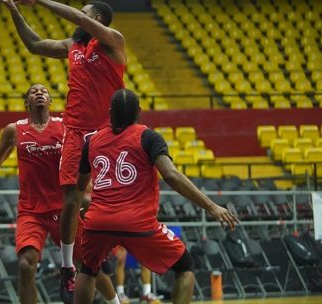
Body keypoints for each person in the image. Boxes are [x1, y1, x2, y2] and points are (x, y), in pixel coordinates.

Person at [0, 0, 126, 303]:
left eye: (82, 13)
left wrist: (38, 0)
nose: (77, 18)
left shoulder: (113, 41)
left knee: (95, 204)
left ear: (96, 18)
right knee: (70, 199)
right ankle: (67, 267)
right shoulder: (72, 46)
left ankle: (103, 255)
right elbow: (35, 44)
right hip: (75, 131)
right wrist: (15, 11)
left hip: (106, 133)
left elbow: (79, 21)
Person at [0, 84, 118, 304]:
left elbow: (86, 156)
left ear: (50, 102)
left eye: (44, 91)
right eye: (34, 92)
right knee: (26, 264)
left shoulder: (65, 127)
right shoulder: (14, 130)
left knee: (89, 264)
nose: (39, 93)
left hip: (64, 208)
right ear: (27, 102)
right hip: (31, 211)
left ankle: (116, 301)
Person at [75, 89, 239, 304]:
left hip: (98, 221)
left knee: (88, 270)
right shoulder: (148, 136)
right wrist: (212, 207)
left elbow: (80, 184)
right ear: (139, 112)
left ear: (110, 113)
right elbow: (170, 175)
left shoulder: (93, 141)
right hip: (135, 221)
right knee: (185, 266)